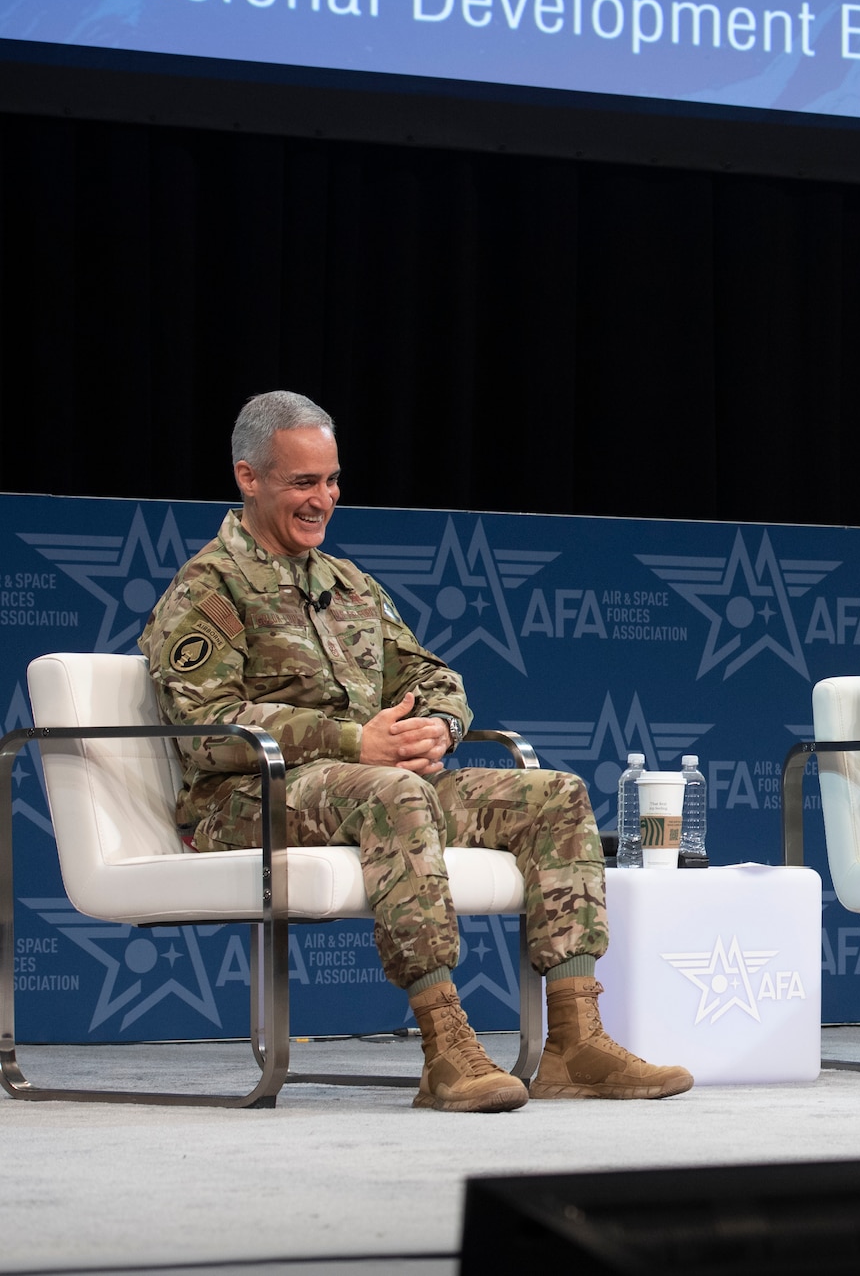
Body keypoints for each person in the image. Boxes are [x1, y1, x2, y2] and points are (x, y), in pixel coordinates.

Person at [138, 392, 690, 1112]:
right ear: (249, 477)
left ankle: (574, 1040)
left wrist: (438, 726)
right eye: (304, 482)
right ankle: (445, 1047)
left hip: (364, 785)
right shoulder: (208, 588)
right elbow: (206, 725)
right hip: (249, 799)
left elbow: (434, 675)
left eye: (332, 480)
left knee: (554, 796)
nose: (323, 499)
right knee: (392, 794)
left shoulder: (348, 586)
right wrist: (353, 740)